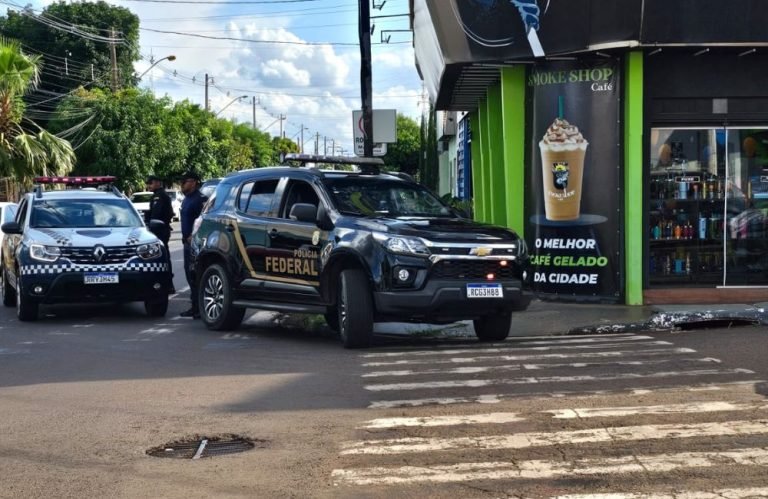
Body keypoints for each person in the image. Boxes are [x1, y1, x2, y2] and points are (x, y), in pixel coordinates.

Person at [178, 171, 206, 318]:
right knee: (190, 276)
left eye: (185, 181)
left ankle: (201, 308)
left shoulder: (200, 199)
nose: (182, 184)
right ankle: (195, 306)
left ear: (194, 182)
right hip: (186, 244)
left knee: (197, 276)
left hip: (196, 244)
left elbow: (204, 221)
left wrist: (194, 236)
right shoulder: (186, 199)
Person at [145, 175, 175, 292]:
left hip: (160, 230)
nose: (148, 186)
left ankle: (168, 284)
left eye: (150, 183)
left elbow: (156, 215)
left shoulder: (160, 196)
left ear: (158, 183)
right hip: (160, 229)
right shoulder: (157, 196)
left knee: (162, 257)